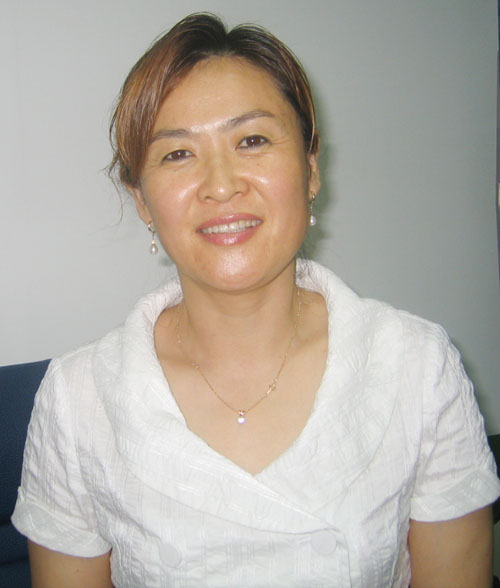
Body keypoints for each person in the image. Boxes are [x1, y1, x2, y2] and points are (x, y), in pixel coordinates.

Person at [11, 12, 500, 588]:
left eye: (252, 140)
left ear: (310, 169)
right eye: (177, 154)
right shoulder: (78, 401)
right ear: (142, 200)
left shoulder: (416, 366)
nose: (221, 184)